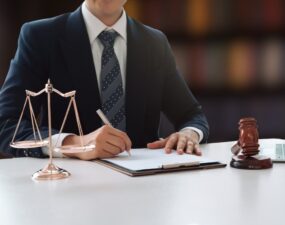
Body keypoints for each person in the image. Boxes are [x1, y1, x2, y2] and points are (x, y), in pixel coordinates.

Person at [0, 0, 209, 160]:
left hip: (145, 189)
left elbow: (191, 114)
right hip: (69, 191)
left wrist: (188, 134)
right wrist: (75, 143)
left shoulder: (154, 42)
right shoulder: (41, 37)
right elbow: (5, 124)